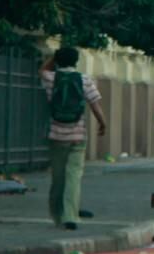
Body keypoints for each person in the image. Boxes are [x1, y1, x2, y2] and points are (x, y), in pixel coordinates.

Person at [40, 47, 106, 230]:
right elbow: (95, 105)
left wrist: (53, 59)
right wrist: (103, 123)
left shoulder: (50, 78)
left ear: (58, 60)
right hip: (78, 135)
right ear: (76, 61)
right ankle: (71, 215)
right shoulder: (84, 80)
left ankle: (56, 215)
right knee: (74, 176)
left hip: (56, 135)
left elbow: (43, 70)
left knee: (58, 177)